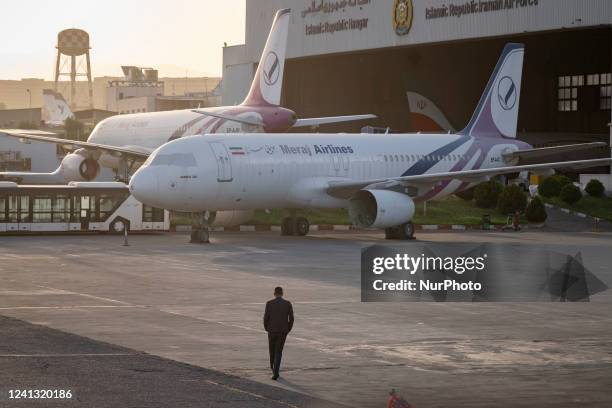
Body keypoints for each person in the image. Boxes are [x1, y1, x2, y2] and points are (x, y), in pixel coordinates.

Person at [263, 286, 294, 380]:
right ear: (282, 293)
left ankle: (272, 367)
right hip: (282, 331)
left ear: (274, 293)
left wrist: (267, 328)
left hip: (272, 330)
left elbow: (266, 317)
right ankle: (276, 371)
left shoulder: (269, 303)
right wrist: (288, 328)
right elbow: (291, 319)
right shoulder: (287, 303)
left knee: (271, 349)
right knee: (278, 351)